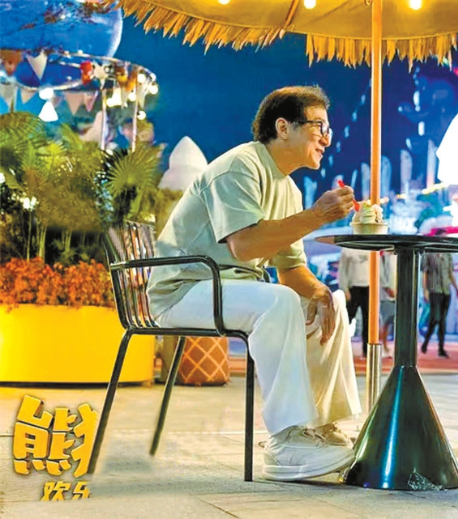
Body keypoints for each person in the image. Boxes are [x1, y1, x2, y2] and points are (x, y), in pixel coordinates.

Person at [147, 86, 361, 482]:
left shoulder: (289, 188)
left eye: (328, 129)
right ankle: (285, 439)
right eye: (319, 127)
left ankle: (319, 425)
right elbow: (245, 245)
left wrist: (318, 292)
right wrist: (316, 216)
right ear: (283, 127)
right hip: (184, 289)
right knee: (278, 302)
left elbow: (290, 269)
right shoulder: (239, 167)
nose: (327, 139)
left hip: (230, 289)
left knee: (330, 302)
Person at [421, 230, 458, 358]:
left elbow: (450, 273)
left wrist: (457, 289)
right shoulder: (429, 253)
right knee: (435, 318)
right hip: (434, 290)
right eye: (442, 238)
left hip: (446, 290)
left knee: (443, 320)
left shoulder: (448, 255)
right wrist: (425, 290)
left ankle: (441, 348)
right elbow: (424, 273)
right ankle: (426, 342)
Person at [338, 247, 370, 357]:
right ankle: (339, 348)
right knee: (347, 319)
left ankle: (367, 351)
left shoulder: (371, 248)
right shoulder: (347, 250)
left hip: (369, 288)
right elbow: (342, 270)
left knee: (368, 322)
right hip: (353, 288)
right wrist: (344, 288)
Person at [379, 250, 397, 358]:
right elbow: (381, 275)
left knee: (396, 323)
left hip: (398, 293)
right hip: (386, 295)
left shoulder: (399, 256)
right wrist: (387, 288)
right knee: (385, 322)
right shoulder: (383, 257)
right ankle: (384, 347)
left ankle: (396, 348)